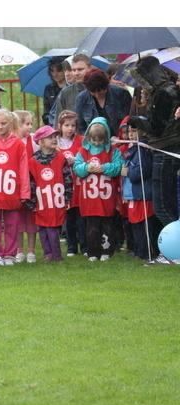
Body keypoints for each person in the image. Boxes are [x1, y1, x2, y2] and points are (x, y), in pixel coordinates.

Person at [128, 56, 180, 227]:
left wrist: (136, 120)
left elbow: (156, 127)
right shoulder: (168, 89)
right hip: (169, 150)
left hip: (165, 151)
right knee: (170, 206)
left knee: (162, 208)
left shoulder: (164, 93)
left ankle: (175, 242)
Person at [0, 109, 30, 266]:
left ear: (11, 123)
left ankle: (10, 254)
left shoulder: (18, 144)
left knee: (12, 224)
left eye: (4, 123)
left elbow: (23, 169)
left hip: (12, 191)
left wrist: (24, 192)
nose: (1, 126)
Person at [73, 117, 123, 262]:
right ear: (88, 137)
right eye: (93, 140)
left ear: (105, 138)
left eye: (99, 140)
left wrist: (104, 168)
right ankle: (93, 253)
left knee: (107, 225)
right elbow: (77, 168)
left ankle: (107, 251)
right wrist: (86, 167)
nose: (96, 143)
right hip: (89, 199)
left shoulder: (113, 151)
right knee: (91, 226)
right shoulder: (83, 151)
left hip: (107, 198)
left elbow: (118, 166)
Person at [26, 125, 73, 262]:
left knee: (53, 227)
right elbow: (31, 183)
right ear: (41, 142)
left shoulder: (60, 158)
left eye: (55, 137)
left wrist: (67, 197)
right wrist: (31, 202)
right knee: (42, 228)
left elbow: (67, 178)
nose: (54, 139)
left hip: (57, 200)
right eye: (50, 137)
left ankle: (56, 255)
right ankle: (48, 253)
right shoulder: (32, 161)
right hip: (41, 200)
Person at [121, 124, 163, 261]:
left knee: (143, 225)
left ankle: (147, 252)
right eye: (129, 131)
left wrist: (128, 172)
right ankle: (139, 251)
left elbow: (143, 170)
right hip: (133, 194)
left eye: (134, 131)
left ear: (143, 132)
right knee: (135, 225)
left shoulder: (142, 150)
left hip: (142, 194)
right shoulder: (132, 149)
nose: (131, 134)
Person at [56, 110, 86, 256]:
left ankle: (85, 247)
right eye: (66, 125)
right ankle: (71, 247)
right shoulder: (55, 142)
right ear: (60, 126)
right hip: (64, 186)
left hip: (79, 185)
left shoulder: (81, 140)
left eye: (73, 125)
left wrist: (77, 161)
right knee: (69, 219)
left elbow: (87, 156)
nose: (70, 128)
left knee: (82, 218)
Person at [75, 68, 132, 137]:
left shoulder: (121, 94)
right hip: (95, 140)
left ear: (106, 86)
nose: (97, 95)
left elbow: (130, 119)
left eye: (100, 91)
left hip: (120, 139)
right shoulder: (82, 99)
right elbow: (80, 127)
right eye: (93, 92)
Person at [14, 110, 38, 264]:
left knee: (31, 220)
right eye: (27, 124)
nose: (30, 127)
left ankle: (31, 251)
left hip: (31, 185)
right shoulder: (12, 141)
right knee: (17, 219)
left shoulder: (33, 141)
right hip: (16, 186)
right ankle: (19, 250)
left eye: (31, 124)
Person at [52, 54, 92, 128]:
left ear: (89, 68)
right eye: (73, 70)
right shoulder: (65, 93)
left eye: (80, 69)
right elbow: (58, 123)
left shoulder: (99, 90)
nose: (76, 73)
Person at [43, 59, 67, 126]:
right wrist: (51, 121)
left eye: (58, 70)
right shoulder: (48, 89)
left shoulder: (72, 87)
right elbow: (46, 112)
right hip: (53, 125)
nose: (55, 74)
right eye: (52, 71)